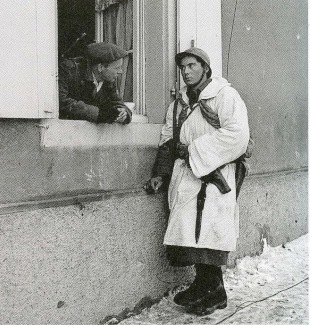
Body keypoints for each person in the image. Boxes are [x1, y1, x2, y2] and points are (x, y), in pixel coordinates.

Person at [145, 47, 251, 315]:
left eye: (192, 66)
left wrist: (196, 151)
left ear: (205, 67)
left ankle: (216, 293)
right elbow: (168, 139)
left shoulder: (225, 96)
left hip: (214, 176)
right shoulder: (179, 103)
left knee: (209, 231)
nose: (186, 72)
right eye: (183, 68)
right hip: (186, 175)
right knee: (190, 232)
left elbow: (237, 135)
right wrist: (160, 172)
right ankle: (202, 285)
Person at [58, 42, 132, 124]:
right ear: (100, 67)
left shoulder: (108, 81)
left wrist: (123, 112)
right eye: (117, 68)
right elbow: (62, 101)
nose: (120, 72)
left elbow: (117, 103)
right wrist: (99, 114)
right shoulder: (70, 70)